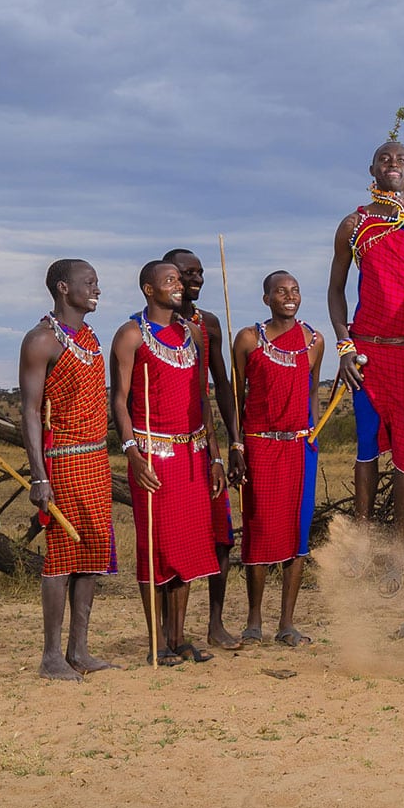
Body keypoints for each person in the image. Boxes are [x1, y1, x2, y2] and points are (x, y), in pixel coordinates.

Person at [326, 141, 404, 593]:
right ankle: (360, 544)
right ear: (372, 169)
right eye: (384, 159)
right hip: (367, 353)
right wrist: (343, 346)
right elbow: (336, 290)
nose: (392, 164)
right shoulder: (355, 224)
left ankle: (396, 553)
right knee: (364, 448)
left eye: (400, 159)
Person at [112, 261, 226, 665]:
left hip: (193, 454)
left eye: (179, 280)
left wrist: (214, 455)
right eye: (170, 281)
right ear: (148, 289)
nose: (179, 287)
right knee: (156, 548)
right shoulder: (130, 335)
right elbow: (120, 401)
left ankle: (179, 638)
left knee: (189, 548)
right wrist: (131, 451)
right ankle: (156, 641)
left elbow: (202, 401)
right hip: (152, 456)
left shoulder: (192, 334)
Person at [17, 258, 118, 681]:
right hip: (63, 463)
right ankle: (50, 656)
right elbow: (30, 412)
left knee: (92, 552)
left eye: (96, 282)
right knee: (61, 556)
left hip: (95, 458)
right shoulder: (41, 341)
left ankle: (79, 649)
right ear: (63, 287)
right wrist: (39, 476)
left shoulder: (90, 338)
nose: (97, 288)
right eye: (88, 282)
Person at [232, 270, 323, 647]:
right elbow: (236, 398)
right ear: (266, 298)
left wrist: (313, 434)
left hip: (300, 446)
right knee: (260, 530)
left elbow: (314, 390)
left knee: (298, 534)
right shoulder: (249, 339)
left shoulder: (313, 340)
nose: (289, 296)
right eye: (281, 291)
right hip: (259, 444)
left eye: (295, 290)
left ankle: (287, 622)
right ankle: (254, 620)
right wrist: (237, 446)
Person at [163, 247, 245, 650]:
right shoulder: (148, 326)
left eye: (199, 272)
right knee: (172, 539)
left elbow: (224, 386)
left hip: (205, 441)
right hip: (165, 443)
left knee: (221, 536)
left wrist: (235, 443)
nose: (194, 279)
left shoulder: (207, 323)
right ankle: (169, 632)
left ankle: (215, 623)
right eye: (185, 273)